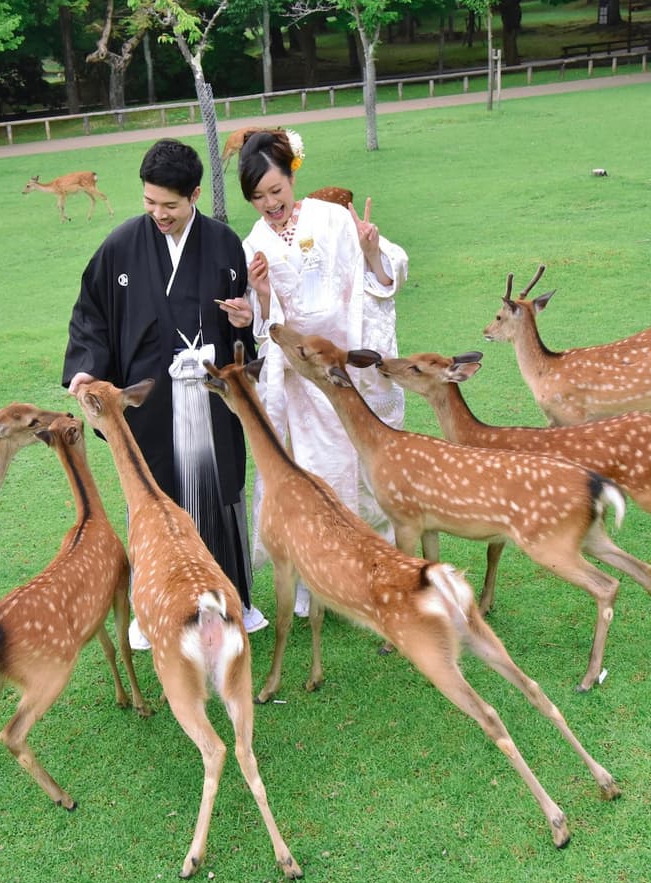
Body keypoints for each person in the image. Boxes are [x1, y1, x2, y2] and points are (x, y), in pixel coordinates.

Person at [62, 138, 266, 642]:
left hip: (211, 402)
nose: (158, 214)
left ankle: (230, 601)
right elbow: (91, 315)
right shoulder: (121, 246)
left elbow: (243, 331)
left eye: (169, 205)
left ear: (194, 194)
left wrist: (245, 321)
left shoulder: (223, 244)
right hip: (149, 407)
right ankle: (155, 607)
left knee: (217, 494)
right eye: (149, 202)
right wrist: (85, 371)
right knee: (152, 501)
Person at [216, 129, 408, 616]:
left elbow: (388, 274)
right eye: (258, 197)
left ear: (291, 176)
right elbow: (269, 324)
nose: (269, 204)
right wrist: (258, 297)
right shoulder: (253, 242)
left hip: (345, 363)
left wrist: (368, 249)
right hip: (300, 377)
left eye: (276, 191)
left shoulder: (332, 218)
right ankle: (317, 578)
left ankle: (374, 566)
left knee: (365, 470)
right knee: (311, 475)